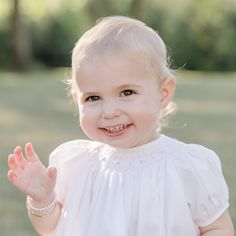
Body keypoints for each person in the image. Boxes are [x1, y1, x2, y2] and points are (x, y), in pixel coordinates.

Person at [7, 16, 234, 236]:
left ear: (163, 93)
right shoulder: (76, 165)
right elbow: (50, 228)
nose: (109, 112)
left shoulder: (187, 167)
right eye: (93, 98)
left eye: (127, 93)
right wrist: (42, 199)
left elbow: (217, 228)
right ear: (76, 99)